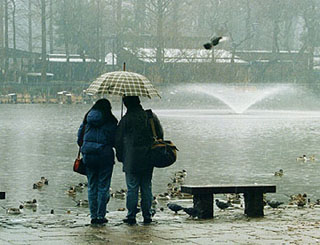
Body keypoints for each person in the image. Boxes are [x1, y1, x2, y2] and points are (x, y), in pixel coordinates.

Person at [115, 96, 163, 225]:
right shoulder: (150, 116)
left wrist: (120, 156)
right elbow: (160, 135)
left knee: (132, 188)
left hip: (130, 159)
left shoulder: (125, 120)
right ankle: (147, 215)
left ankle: (131, 215)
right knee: (146, 187)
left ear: (126, 105)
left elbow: (118, 141)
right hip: (148, 157)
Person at [77, 98, 118, 225]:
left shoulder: (87, 119)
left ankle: (93, 216)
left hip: (89, 156)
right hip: (104, 156)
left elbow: (79, 138)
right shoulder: (110, 121)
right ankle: (101, 215)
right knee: (103, 186)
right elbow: (114, 140)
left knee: (92, 186)